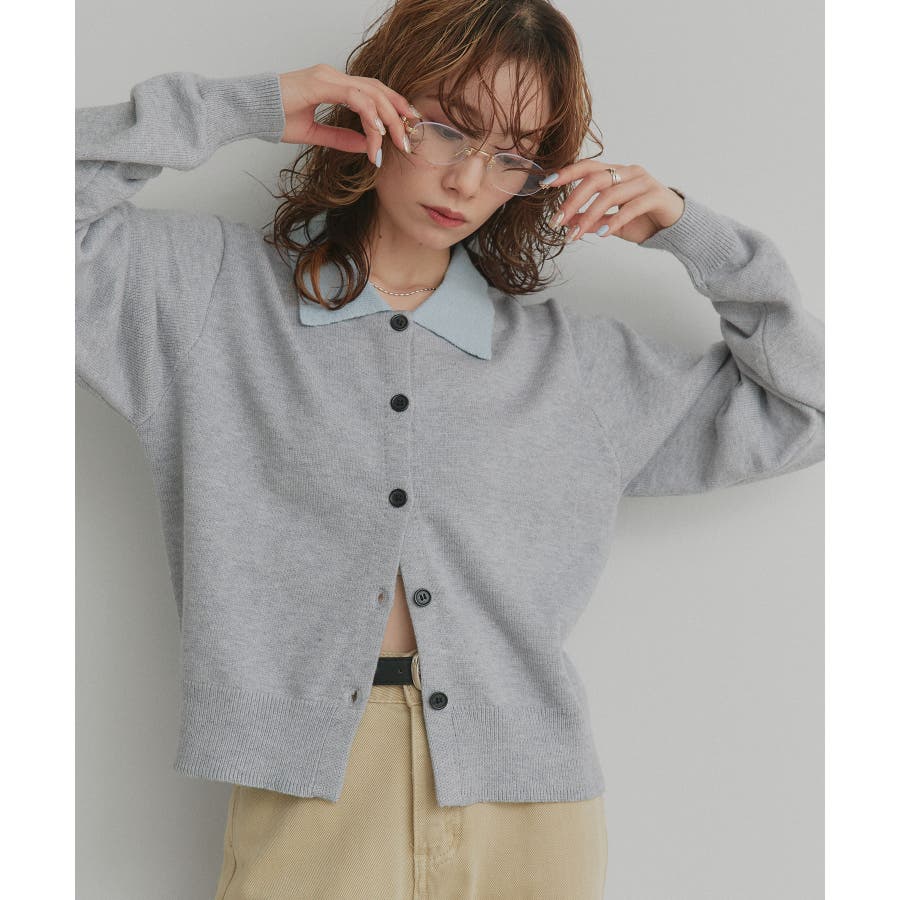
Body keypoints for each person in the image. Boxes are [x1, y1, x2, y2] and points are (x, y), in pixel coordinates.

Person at [75, 0, 825, 897]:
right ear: (380, 103)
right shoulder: (207, 299)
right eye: (447, 128)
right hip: (309, 795)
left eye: (512, 155)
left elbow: (811, 404)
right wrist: (245, 107)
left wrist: (689, 232)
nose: (468, 179)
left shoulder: (570, 368)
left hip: (531, 812)